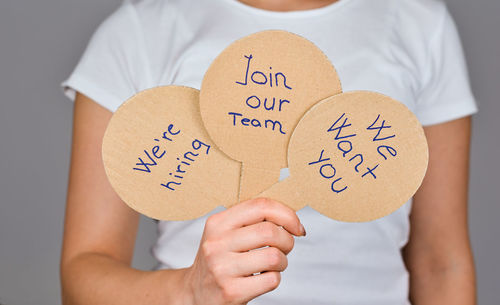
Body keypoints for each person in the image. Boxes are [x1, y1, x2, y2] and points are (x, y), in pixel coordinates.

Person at [60, 0, 478, 304]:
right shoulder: (139, 31)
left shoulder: (420, 24)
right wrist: (188, 291)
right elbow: (84, 271)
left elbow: (441, 262)